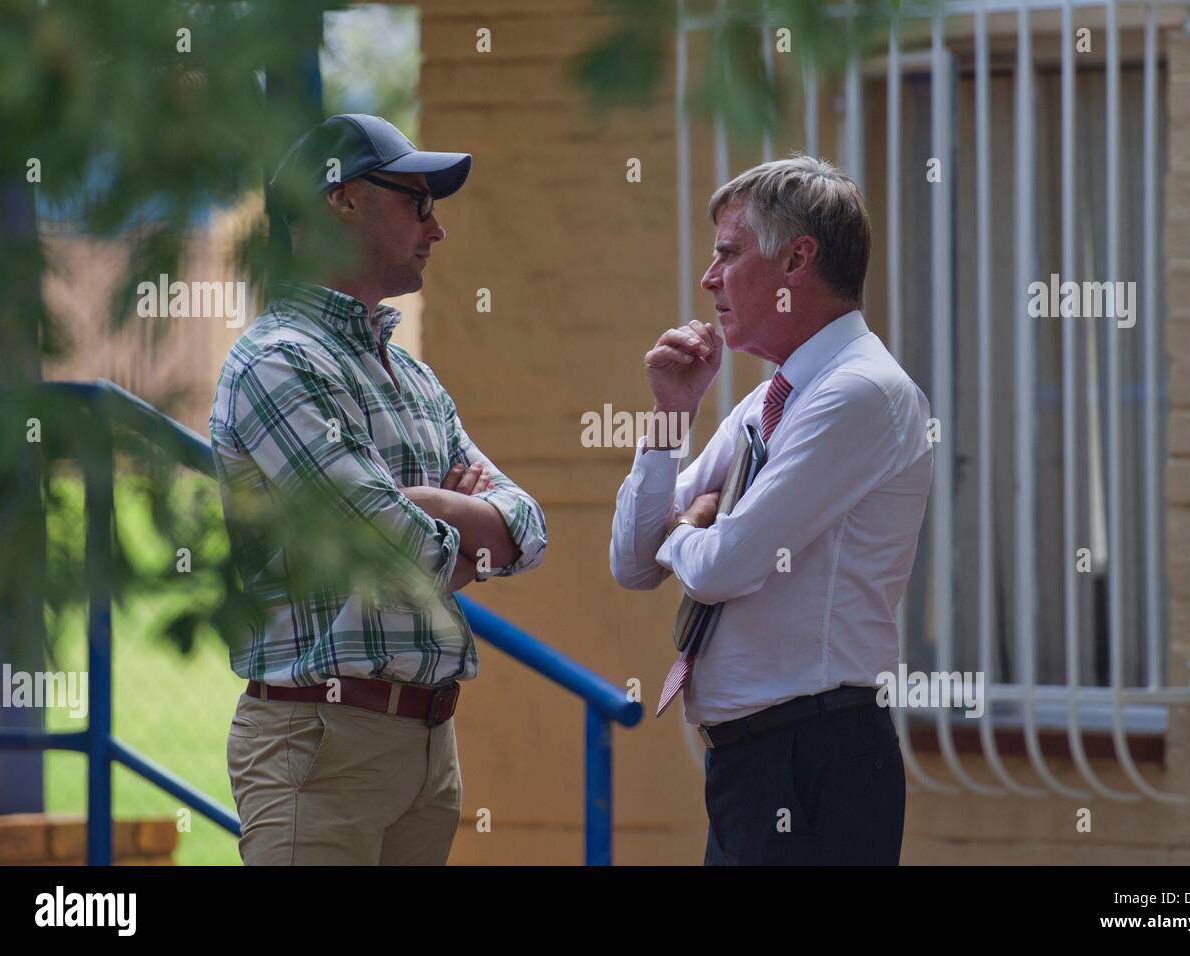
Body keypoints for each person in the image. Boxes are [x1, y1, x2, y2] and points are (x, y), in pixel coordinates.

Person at [210, 114, 547, 865]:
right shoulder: (276, 363)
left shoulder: (413, 376)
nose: (438, 229)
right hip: (320, 748)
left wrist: (429, 512)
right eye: (418, 202)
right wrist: (450, 524)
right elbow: (389, 552)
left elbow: (528, 527)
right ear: (342, 201)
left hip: (428, 748)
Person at [609, 155, 932, 865]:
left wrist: (686, 529)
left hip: (814, 753)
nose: (709, 278)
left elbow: (724, 566)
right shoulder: (770, 400)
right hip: (757, 763)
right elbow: (631, 562)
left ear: (797, 258)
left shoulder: (861, 392)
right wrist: (672, 416)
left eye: (728, 252)